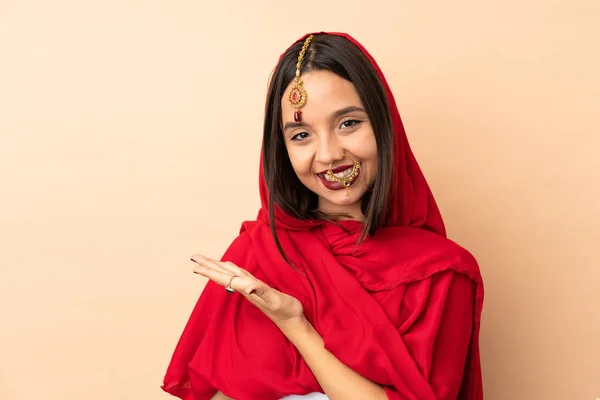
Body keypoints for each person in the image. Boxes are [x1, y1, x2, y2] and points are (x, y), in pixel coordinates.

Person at [161, 32, 484, 400]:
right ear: (280, 150)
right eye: (301, 135)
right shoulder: (258, 255)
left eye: (348, 123)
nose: (328, 154)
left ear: (384, 124)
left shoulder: (441, 273)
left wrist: (294, 324)